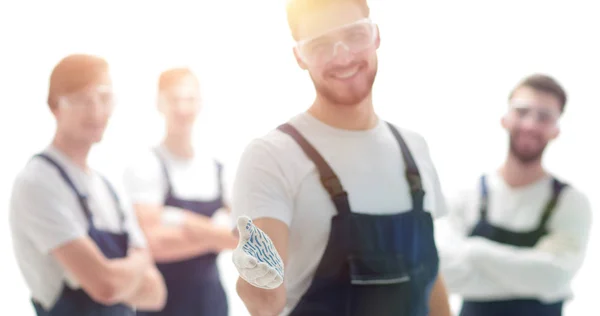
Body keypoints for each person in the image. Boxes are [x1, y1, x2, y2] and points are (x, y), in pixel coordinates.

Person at [230, 0, 453, 315]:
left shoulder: (415, 149)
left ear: (375, 35)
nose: (342, 55)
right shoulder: (272, 156)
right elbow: (268, 299)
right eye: (320, 45)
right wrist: (254, 282)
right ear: (299, 57)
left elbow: (432, 283)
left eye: (355, 35)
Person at [8, 54, 167, 316]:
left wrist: (118, 277)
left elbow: (156, 292)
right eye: (81, 99)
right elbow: (105, 286)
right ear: (54, 106)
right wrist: (140, 261)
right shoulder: (37, 183)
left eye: (104, 98)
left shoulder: (108, 188)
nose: (96, 111)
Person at [436, 74, 593, 316]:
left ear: (556, 130)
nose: (530, 124)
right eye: (522, 111)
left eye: (544, 116)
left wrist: (474, 251)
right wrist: (530, 275)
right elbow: (446, 273)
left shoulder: (571, 203)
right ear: (505, 119)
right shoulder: (465, 196)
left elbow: (553, 277)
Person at [122, 67, 238, 316]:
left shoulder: (218, 168)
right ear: (159, 103)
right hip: (162, 305)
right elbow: (154, 243)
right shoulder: (146, 165)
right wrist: (215, 234)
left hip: (212, 303)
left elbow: (240, 238)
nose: (183, 109)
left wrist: (180, 219)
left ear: (200, 103)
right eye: (175, 99)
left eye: (190, 99)